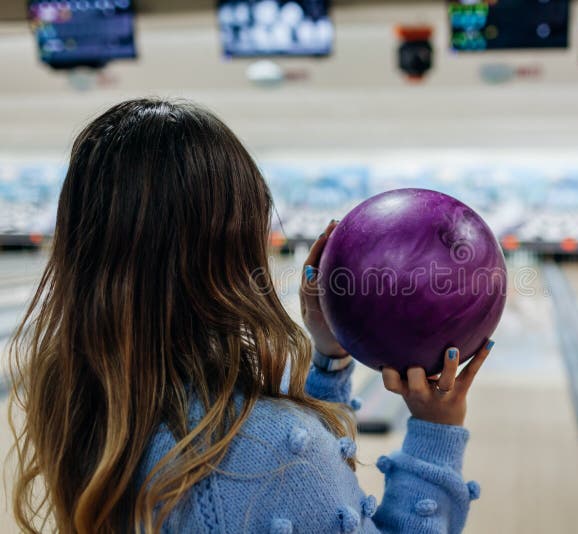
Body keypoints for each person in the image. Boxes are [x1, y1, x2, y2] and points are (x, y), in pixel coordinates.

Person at [9, 99, 494, 533]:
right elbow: (280, 472)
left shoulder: (89, 412)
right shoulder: (266, 457)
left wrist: (330, 361)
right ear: (228, 250)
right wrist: (437, 429)